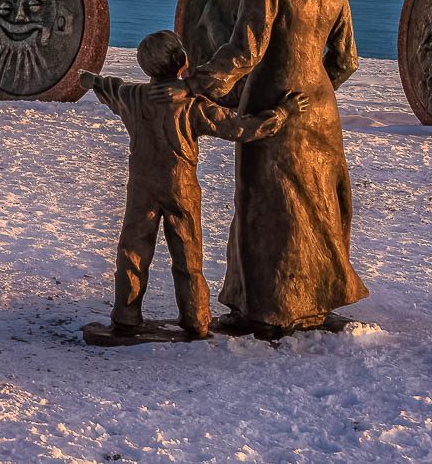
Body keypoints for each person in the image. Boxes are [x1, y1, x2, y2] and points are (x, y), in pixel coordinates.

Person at [187, 0, 369, 338]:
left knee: (267, 205)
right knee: (320, 205)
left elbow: (244, 53)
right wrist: (318, 89)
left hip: (272, 100)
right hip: (321, 110)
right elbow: (345, 61)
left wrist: (196, 83)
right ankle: (315, 301)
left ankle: (268, 308)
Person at [81, 29, 307, 341]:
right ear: (183, 63)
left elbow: (108, 87)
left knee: (132, 253)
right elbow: (240, 127)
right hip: (181, 189)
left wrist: (90, 79)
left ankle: (126, 315)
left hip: (142, 190)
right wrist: (283, 113)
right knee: (188, 257)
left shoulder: (133, 97)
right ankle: (196, 318)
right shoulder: (192, 106)